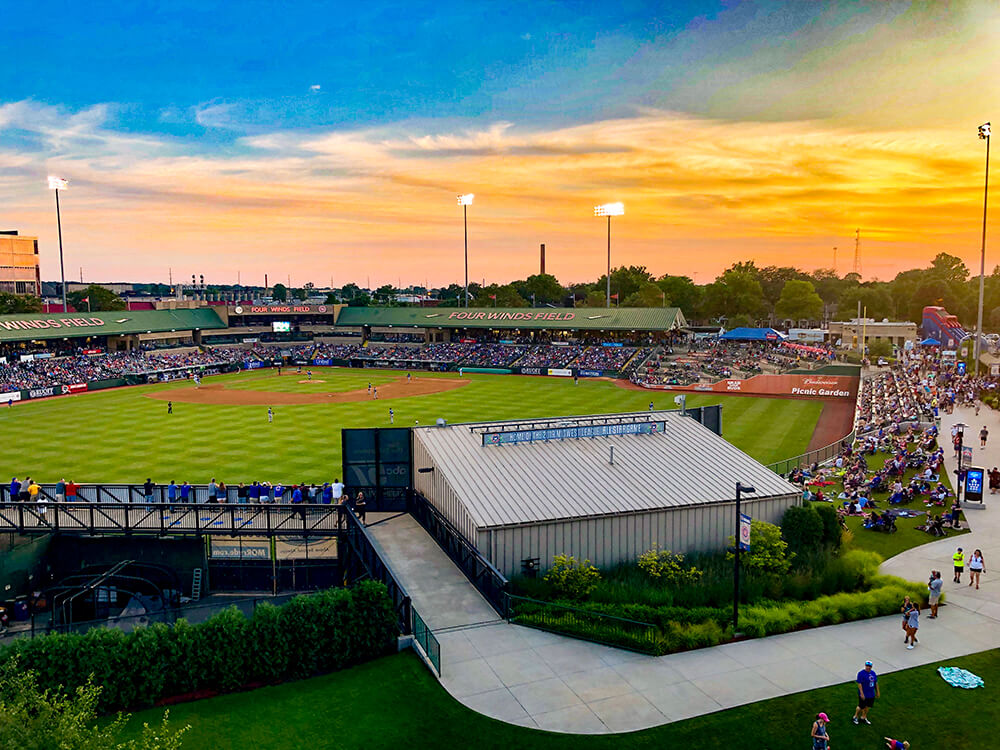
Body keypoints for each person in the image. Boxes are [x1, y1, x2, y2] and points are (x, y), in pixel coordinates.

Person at [852, 660, 879, 725]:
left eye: (869, 666)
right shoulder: (861, 673)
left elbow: (875, 683)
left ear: (871, 667)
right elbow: (859, 684)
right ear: (865, 666)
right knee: (861, 706)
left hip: (871, 694)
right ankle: (855, 716)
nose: (868, 667)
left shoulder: (873, 673)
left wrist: (877, 692)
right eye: (867, 666)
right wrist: (861, 693)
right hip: (864, 693)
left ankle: (863, 717)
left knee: (867, 706)